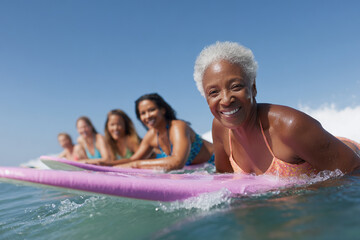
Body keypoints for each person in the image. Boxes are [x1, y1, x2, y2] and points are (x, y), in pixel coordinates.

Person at [193, 41, 360, 177]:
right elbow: (225, 180)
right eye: (214, 92)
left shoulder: (290, 126)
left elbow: (354, 173)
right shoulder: (220, 128)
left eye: (236, 86)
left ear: (253, 87)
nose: (226, 99)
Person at [114, 93, 214, 171]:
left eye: (151, 110)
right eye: (143, 113)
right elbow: (133, 159)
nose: (147, 116)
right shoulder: (151, 136)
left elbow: (177, 162)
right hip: (201, 169)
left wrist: (136, 165)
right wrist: (105, 164)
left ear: (163, 110)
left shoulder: (177, 126)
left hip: (218, 163)